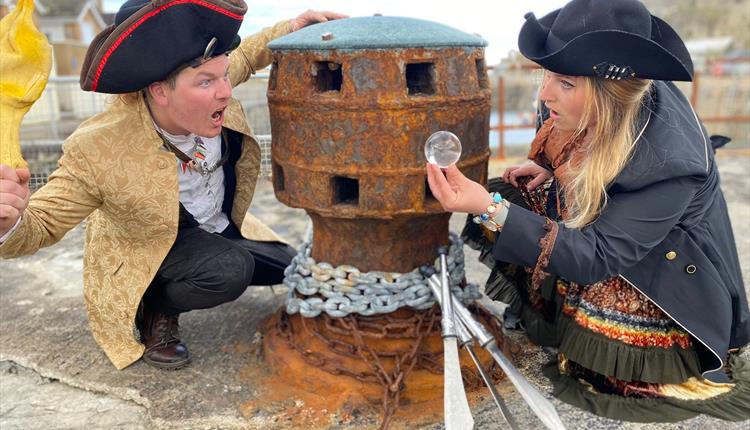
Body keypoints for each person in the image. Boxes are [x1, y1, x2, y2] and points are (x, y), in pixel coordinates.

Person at [426, 0, 750, 422]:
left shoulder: (669, 163)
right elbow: (582, 145)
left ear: (608, 95)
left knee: (501, 206)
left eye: (564, 83)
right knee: (516, 192)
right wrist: (547, 166)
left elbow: (597, 256)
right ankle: (557, 313)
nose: (544, 93)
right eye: (546, 75)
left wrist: (487, 207)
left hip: (667, 271)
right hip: (615, 227)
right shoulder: (591, 100)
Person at [0, 0, 346, 371]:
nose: (225, 92)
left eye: (224, 76)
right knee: (231, 271)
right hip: (153, 245)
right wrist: (9, 222)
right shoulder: (97, 146)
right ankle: (156, 307)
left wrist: (291, 26)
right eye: (207, 82)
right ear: (160, 91)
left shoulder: (207, 95)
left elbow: (245, 55)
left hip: (214, 228)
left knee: (288, 266)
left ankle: (218, 259)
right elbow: (43, 224)